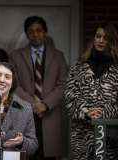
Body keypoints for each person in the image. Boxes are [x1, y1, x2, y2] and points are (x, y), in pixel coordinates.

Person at [9, 16, 67, 160]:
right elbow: (13, 84)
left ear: (45, 32)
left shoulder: (58, 56)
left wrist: (45, 105)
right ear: (26, 34)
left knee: (49, 155)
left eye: (39, 30)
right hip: (24, 113)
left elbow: (63, 85)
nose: (35, 34)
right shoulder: (15, 56)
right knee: (26, 154)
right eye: (31, 32)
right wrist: (34, 105)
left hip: (50, 113)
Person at [65, 22, 118, 159]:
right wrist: (87, 111)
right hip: (82, 136)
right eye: (98, 36)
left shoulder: (117, 67)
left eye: (105, 38)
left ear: (111, 40)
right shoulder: (79, 65)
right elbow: (70, 96)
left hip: (110, 138)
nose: (100, 41)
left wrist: (104, 113)